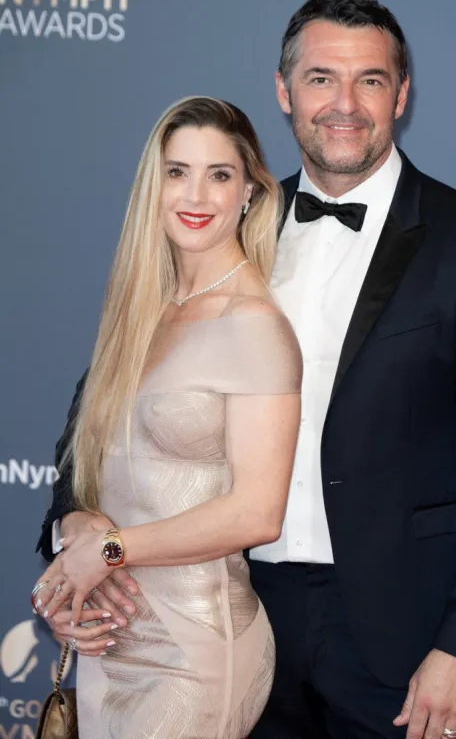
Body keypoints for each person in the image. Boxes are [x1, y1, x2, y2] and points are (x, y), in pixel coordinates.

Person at [37, 0, 456, 739]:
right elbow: (101, 409)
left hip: (403, 638)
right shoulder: (228, 225)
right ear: (284, 90)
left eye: (369, 80)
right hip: (240, 618)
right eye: (320, 78)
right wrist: (74, 525)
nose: (344, 104)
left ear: (401, 95)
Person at [31, 96, 302, 738]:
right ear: (152, 187)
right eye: (177, 172)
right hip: (113, 640)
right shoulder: (140, 312)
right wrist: (77, 544)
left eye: (219, 174)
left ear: (249, 192)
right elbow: (83, 465)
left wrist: (109, 552)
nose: (196, 194)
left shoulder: (253, 323)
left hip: (194, 653)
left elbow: (256, 514)